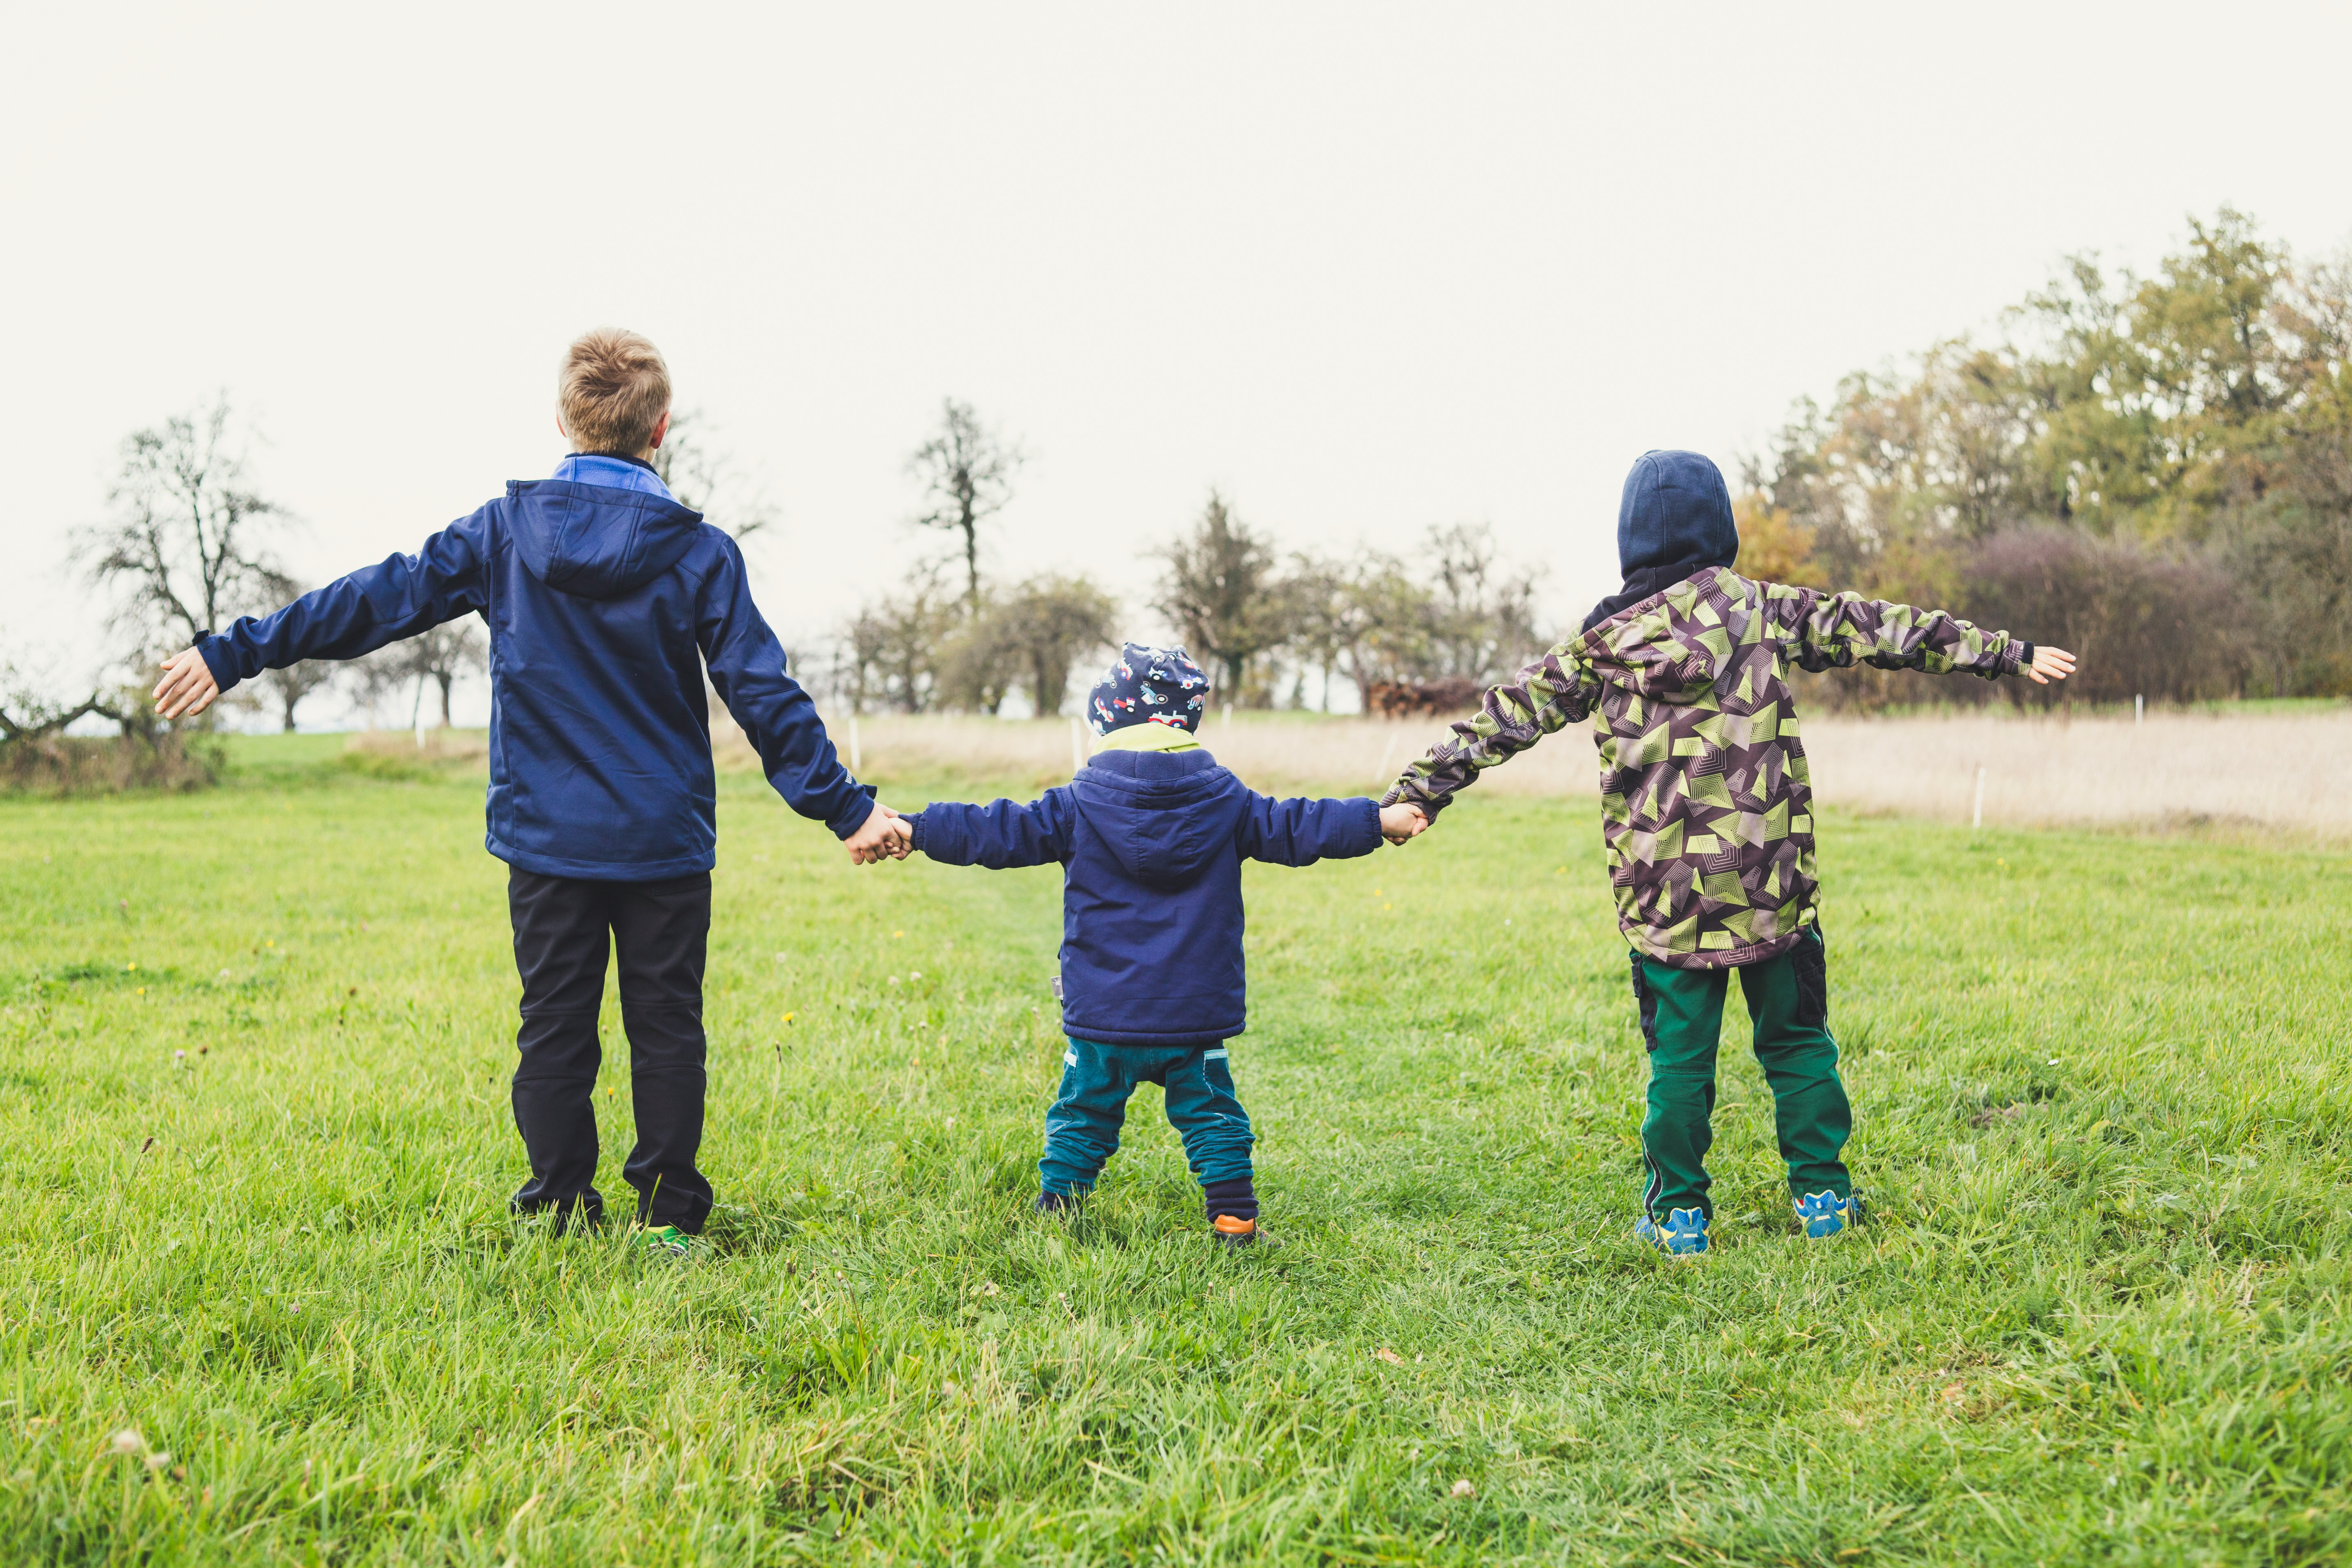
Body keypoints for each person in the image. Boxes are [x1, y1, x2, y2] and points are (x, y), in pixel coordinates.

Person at [150, 327, 913, 1254]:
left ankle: (557, 1206)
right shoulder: (702, 552)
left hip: (548, 838)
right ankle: (669, 1218)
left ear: (563, 419)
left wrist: (234, 652)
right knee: (666, 1025)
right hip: (662, 839)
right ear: (661, 428)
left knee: (553, 1028)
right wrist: (847, 808)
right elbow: (762, 691)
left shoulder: (504, 535)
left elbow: (374, 600)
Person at [1381, 450, 2075, 1256]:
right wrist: (2007, 653)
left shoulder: (1601, 645)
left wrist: (1421, 791)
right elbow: (1880, 627)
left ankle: (1679, 1216)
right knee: (1797, 1044)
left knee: (1679, 1064)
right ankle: (1822, 1198)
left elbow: (1505, 716)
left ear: (1631, 540)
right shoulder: (1759, 610)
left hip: (1667, 901)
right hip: (1770, 883)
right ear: (1722, 530)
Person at [900, 644, 1427, 1245]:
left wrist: (918, 828)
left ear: (1107, 721)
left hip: (1104, 1013)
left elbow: (995, 830)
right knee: (1211, 1115)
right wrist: (1377, 821)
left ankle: (1059, 1210)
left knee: (1083, 1112)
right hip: (1194, 1012)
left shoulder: (1076, 804)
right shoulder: (1229, 802)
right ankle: (1234, 1217)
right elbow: (1298, 825)